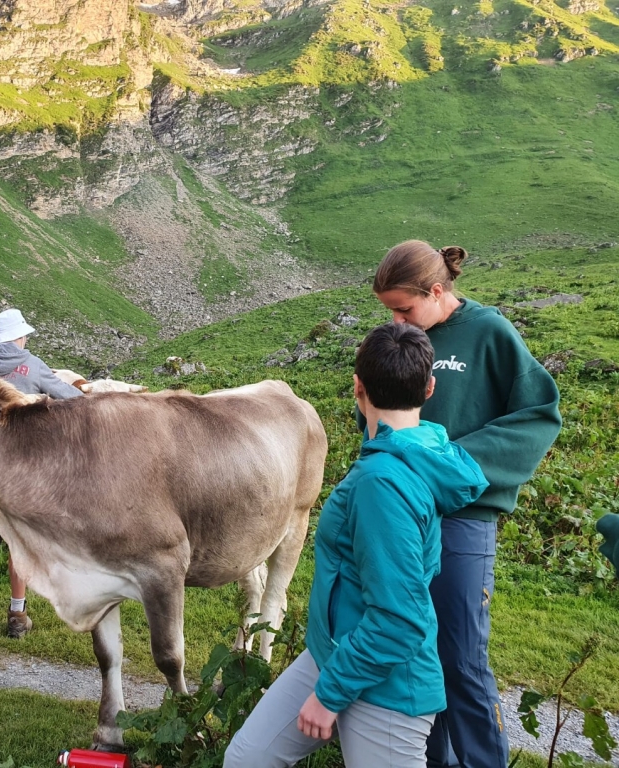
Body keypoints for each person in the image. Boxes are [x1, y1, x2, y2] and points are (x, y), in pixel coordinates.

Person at [224, 322, 489, 768]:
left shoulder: (382, 482)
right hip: (336, 651)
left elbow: (400, 618)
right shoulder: (413, 449)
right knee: (249, 758)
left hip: (387, 687)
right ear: (430, 387)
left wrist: (329, 695)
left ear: (357, 387)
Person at [371, 240, 562, 768]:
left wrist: (453, 460)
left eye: (404, 309)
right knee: (416, 652)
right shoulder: (403, 338)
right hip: (404, 517)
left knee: (461, 659)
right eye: (389, 311)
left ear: (436, 291)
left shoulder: (489, 331)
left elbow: (540, 414)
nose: (396, 321)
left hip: (464, 521)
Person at [0, 307, 82, 642]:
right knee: (19, 540)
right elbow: (70, 397)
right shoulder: (32, 364)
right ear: (19, 335)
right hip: (23, 468)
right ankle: (17, 615)